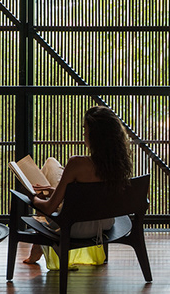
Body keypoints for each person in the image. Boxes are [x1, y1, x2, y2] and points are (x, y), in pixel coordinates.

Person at [22, 105, 134, 265]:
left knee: (49, 165)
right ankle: (38, 247)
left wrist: (32, 197)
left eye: (85, 129)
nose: (83, 133)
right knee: (51, 165)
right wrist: (58, 191)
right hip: (105, 224)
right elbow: (91, 196)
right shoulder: (118, 165)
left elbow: (48, 208)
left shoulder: (78, 164)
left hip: (73, 226)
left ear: (95, 134)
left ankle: (37, 246)